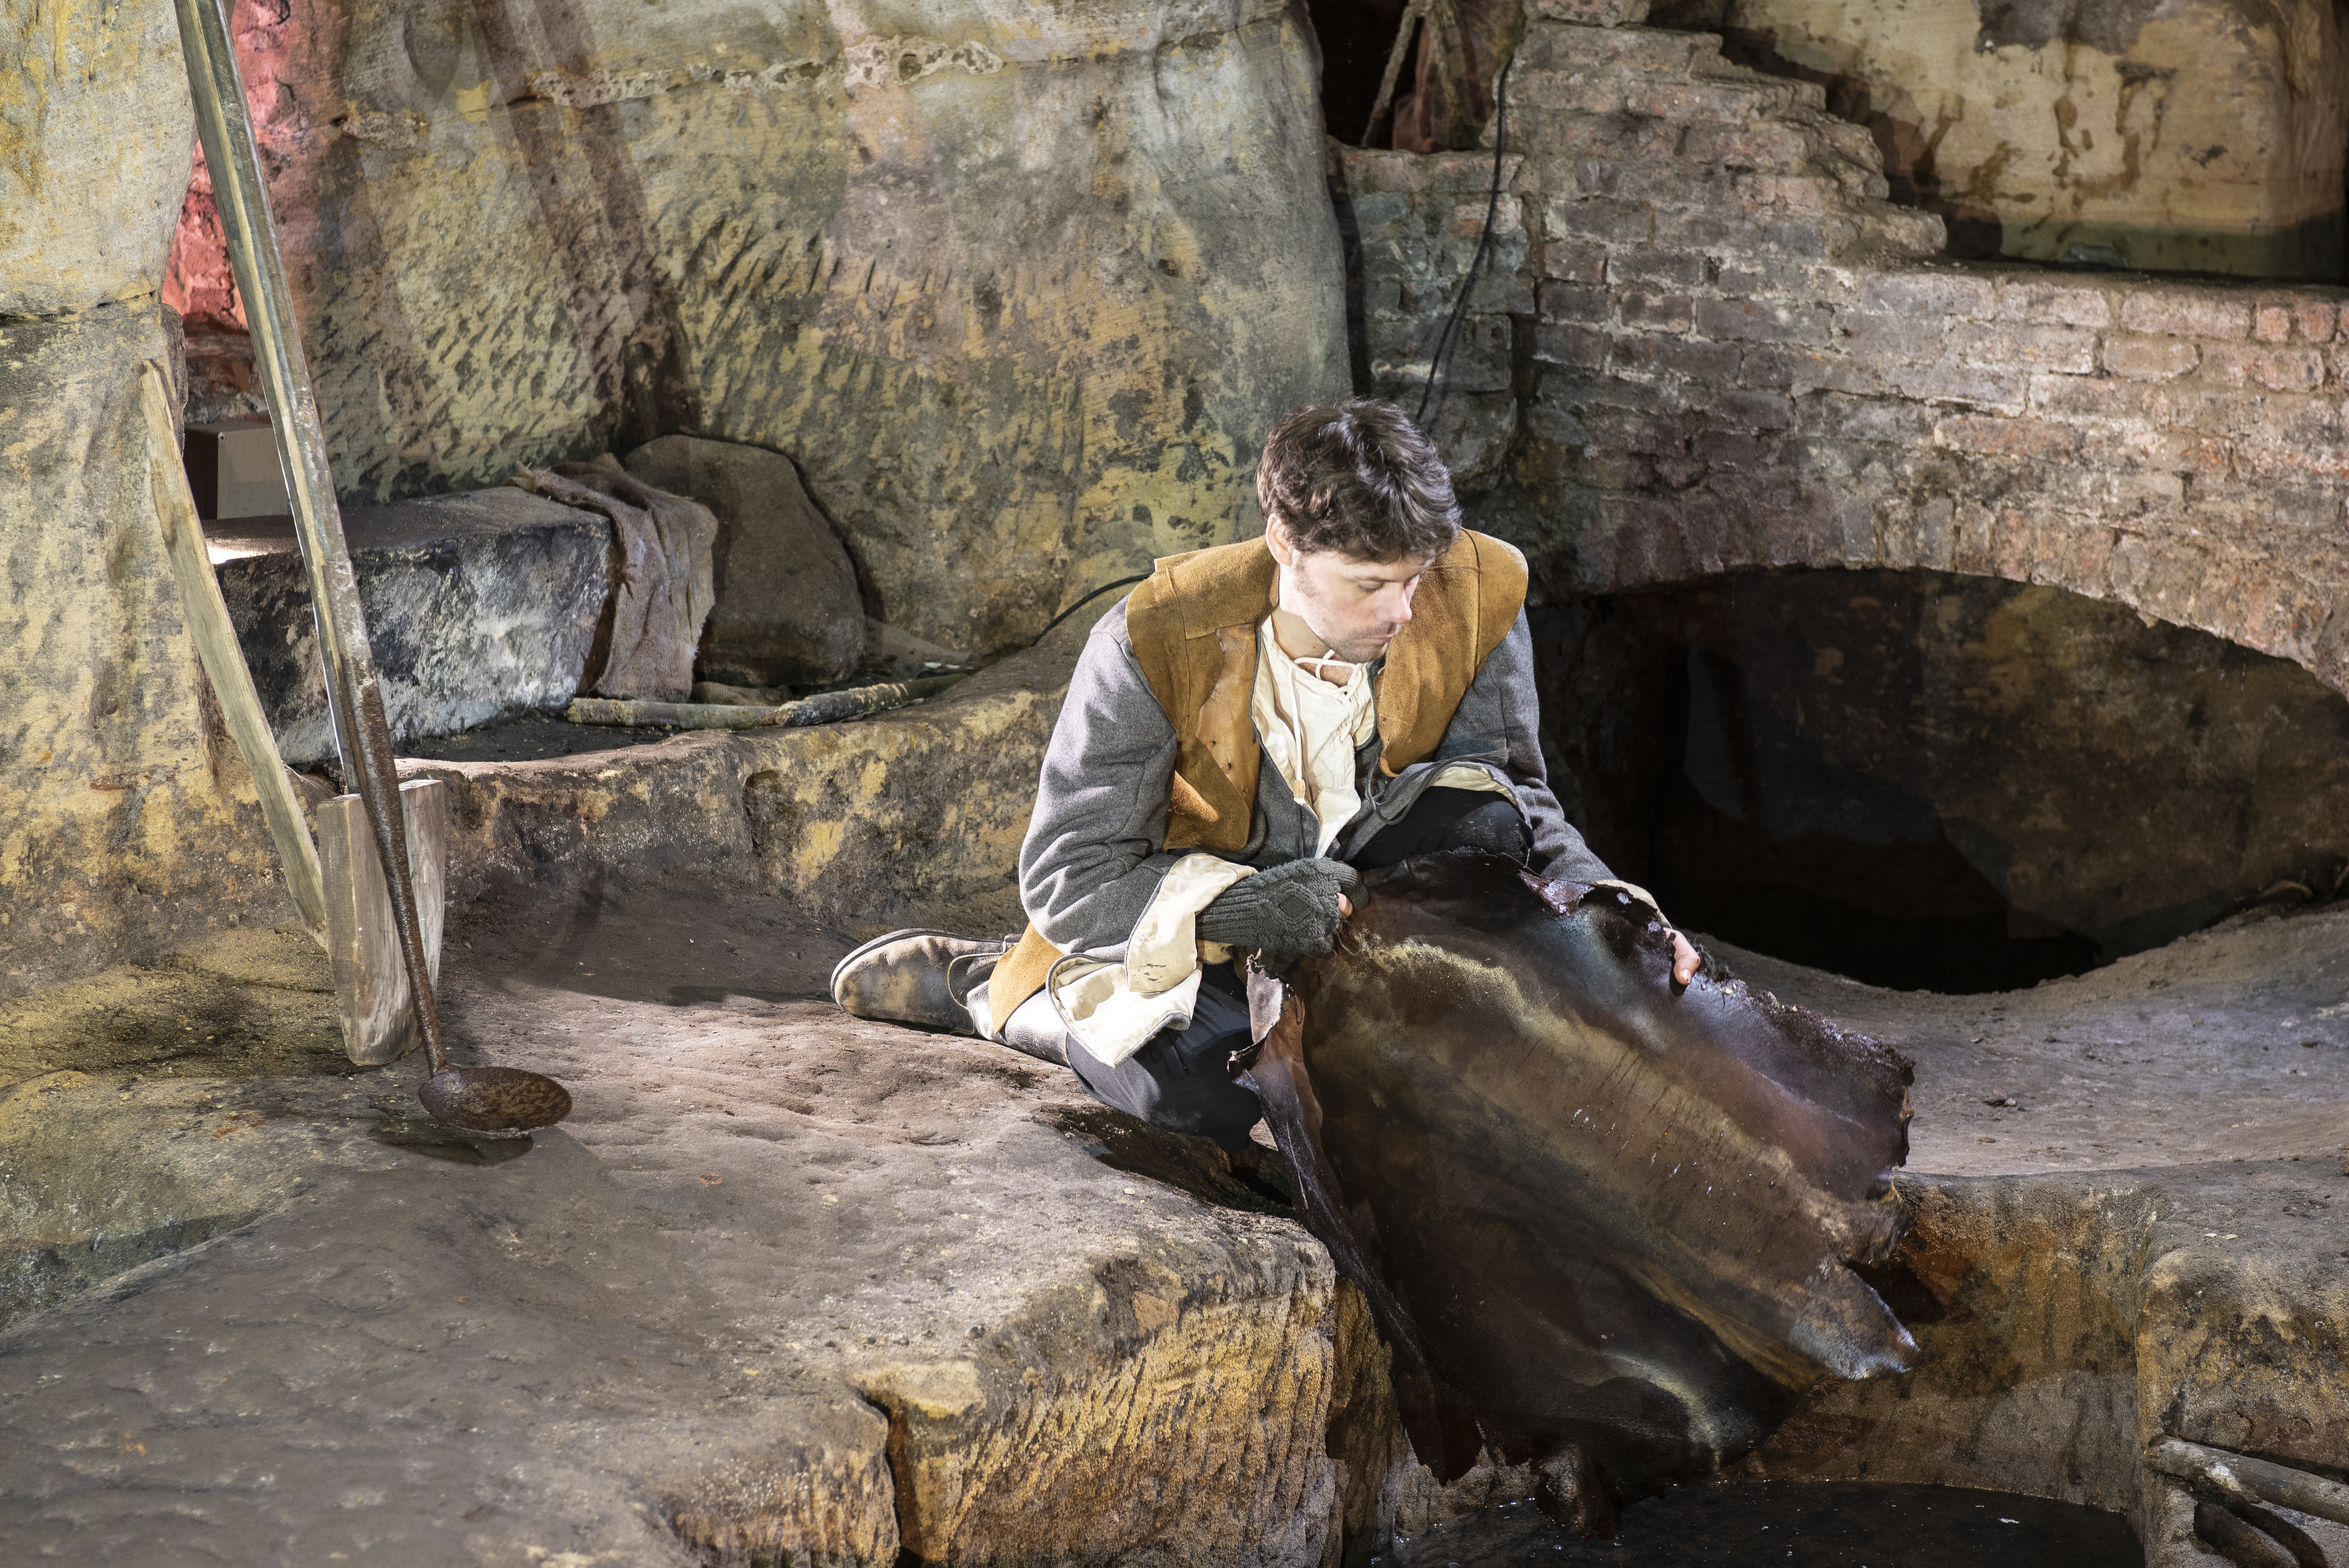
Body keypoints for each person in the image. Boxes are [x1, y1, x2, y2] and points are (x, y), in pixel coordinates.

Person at [831, 397, 1698, 1158]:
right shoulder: (1152, 640)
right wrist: (1234, 908)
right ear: (1286, 543)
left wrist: (1616, 912)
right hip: (1207, 944)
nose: (1404, 611)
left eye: (1414, 579)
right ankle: (1000, 995)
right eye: (1370, 584)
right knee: (1194, 1095)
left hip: (1361, 905)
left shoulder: (1476, 591)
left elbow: (1519, 800)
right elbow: (1067, 875)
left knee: (1482, 827)